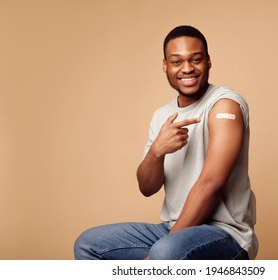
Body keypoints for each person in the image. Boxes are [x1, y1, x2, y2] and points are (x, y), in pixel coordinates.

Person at [74, 25, 258, 260]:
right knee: (88, 244)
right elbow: (147, 188)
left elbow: (211, 185)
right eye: (177, 62)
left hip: (224, 235)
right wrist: (157, 150)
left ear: (208, 61)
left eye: (196, 59)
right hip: (173, 229)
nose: (187, 68)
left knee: (165, 251)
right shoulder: (162, 116)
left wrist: (158, 256)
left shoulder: (224, 105)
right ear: (165, 66)